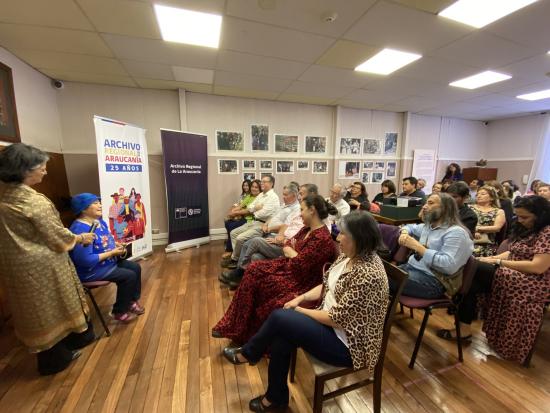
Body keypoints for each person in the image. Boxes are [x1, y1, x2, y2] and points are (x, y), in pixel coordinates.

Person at [220, 212, 389, 412]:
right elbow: (326, 284)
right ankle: (276, 398)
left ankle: (249, 354)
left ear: (359, 238)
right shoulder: (349, 255)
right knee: (282, 333)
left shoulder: (368, 275)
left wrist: (300, 310)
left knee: (280, 317)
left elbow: (337, 319)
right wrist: (300, 298)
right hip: (330, 324)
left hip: (349, 345)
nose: (338, 238)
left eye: (343, 234)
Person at [0, 143, 96, 375]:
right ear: (24, 169)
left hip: (15, 265)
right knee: (53, 306)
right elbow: (58, 238)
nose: (44, 170)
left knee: (34, 311)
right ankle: (57, 359)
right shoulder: (34, 202)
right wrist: (82, 237)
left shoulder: (6, 195)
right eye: (40, 167)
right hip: (42, 265)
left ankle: (54, 352)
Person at [212, 195, 338, 344]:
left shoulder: (322, 238)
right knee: (253, 269)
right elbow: (287, 245)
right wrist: (292, 252)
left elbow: (300, 263)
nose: (300, 214)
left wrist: (291, 252)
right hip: (289, 269)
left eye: (302, 210)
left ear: (312, 211)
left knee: (263, 283)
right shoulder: (306, 230)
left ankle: (246, 333)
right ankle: (235, 325)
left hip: (301, 281)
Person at [439, 196, 550, 364]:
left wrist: (498, 262)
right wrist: (492, 258)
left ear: (540, 215)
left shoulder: (547, 231)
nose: (520, 221)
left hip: (530, 281)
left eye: (524, 217)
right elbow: (513, 252)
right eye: (518, 216)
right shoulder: (528, 228)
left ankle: (451, 300)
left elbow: (538, 266)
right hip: (512, 270)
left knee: (470, 270)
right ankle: (461, 321)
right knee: (470, 279)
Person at [69, 193, 144, 323]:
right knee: (128, 276)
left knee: (135, 267)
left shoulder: (98, 221)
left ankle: (131, 301)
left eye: (99, 202)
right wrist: (111, 253)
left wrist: (115, 244)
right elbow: (86, 261)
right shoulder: (79, 230)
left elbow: (105, 240)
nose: (100, 205)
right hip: (91, 271)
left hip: (107, 263)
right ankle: (119, 312)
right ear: (83, 208)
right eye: (95, 203)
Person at [220, 184, 301, 287]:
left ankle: (239, 273)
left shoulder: (296, 209)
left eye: (285, 195)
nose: (283, 197)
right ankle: (241, 275)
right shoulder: (284, 205)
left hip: (275, 235)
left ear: (294, 195)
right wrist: (267, 224)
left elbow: (286, 226)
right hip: (267, 228)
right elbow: (273, 217)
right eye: (283, 194)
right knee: (247, 245)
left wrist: (275, 232)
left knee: (254, 242)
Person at [396, 193, 473, 299]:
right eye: (426, 203)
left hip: (434, 281)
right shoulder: (429, 226)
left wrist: (418, 247)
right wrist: (404, 232)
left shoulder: (456, 233)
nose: (424, 206)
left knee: (379, 279)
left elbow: (448, 266)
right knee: (378, 274)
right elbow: (410, 227)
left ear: (445, 208)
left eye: (430, 203)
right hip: (412, 268)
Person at [222, 175, 280, 268]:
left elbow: (263, 213)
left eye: (265, 182)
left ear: (271, 184)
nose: (262, 183)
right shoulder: (261, 195)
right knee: (233, 233)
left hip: (263, 224)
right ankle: (236, 258)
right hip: (254, 222)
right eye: (262, 181)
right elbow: (250, 206)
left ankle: (237, 261)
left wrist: (255, 210)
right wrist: (256, 208)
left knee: (240, 238)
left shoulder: (273, 197)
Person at [221, 179, 259, 258]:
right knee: (228, 223)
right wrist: (232, 211)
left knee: (231, 226)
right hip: (243, 217)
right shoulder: (249, 196)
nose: (253, 189)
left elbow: (249, 211)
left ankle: (230, 250)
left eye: (256, 187)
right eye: (252, 186)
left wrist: (234, 213)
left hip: (250, 220)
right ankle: (230, 245)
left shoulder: (258, 198)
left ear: (260, 189)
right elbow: (240, 205)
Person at [471, 185, 506, 257]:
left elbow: (497, 228)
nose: (478, 196)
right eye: (477, 194)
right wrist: (472, 231)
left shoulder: (499, 211)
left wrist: (477, 229)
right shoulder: (469, 208)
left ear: (492, 197)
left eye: (482, 194)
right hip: (468, 240)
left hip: (487, 244)